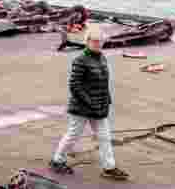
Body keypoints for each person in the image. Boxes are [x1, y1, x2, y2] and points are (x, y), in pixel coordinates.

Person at [49, 25, 129, 180]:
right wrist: (89, 102)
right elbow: (74, 85)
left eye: (100, 41)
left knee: (104, 137)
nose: (98, 44)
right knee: (74, 134)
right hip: (81, 107)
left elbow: (104, 83)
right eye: (95, 41)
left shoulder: (102, 58)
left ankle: (109, 167)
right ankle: (57, 160)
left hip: (99, 106)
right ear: (88, 41)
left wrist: (106, 102)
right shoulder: (80, 60)